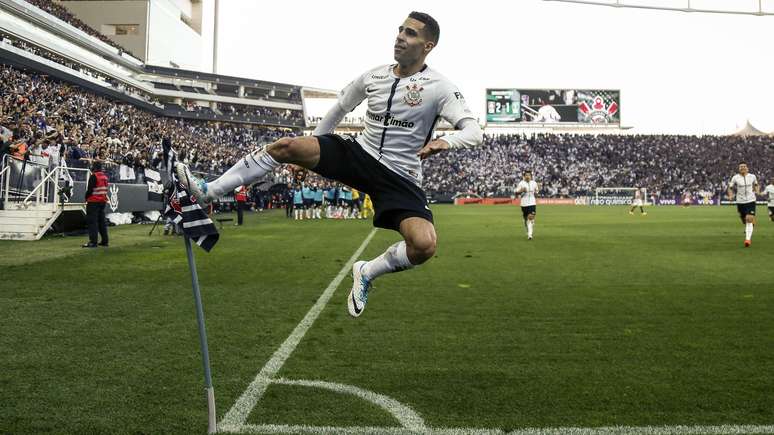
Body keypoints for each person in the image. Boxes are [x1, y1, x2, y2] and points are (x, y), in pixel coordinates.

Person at [176, 11, 483, 317]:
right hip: (358, 155)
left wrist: (446, 141)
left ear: (428, 46)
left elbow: (473, 131)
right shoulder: (373, 76)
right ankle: (209, 191)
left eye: (411, 33)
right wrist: (308, 156)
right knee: (287, 146)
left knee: (424, 245)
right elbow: (339, 109)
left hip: (399, 176)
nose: (401, 37)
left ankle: (366, 272)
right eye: (401, 30)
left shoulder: (440, 87)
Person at [727, 162, 760, 247]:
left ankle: (747, 240)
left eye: (744, 166)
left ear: (747, 168)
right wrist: (730, 196)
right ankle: (750, 224)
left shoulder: (752, 176)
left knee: (749, 218)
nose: (743, 168)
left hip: (751, 200)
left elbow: (756, 184)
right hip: (740, 202)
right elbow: (730, 187)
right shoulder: (735, 178)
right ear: (739, 168)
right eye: (741, 167)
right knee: (744, 220)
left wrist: (757, 190)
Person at [83, 161, 109, 248]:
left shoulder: (94, 176)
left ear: (94, 167)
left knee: (92, 222)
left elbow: (90, 190)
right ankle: (105, 241)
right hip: (102, 201)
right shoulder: (105, 177)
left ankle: (93, 242)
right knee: (102, 222)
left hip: (93, 201)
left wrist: (86, 198)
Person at [516, 170, 538, 240]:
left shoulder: (534, 183)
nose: (527, 176)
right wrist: (521, 190)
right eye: (526, 175)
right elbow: (516, 192)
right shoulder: (521, 183)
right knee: (526, 219)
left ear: (531, 176)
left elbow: (536, 193)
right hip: (524, 203)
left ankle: (530, 235)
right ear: (524, 176)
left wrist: (537, 191)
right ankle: (528, 229)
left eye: (529, 175)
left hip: (532, 203)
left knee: (530, 217)